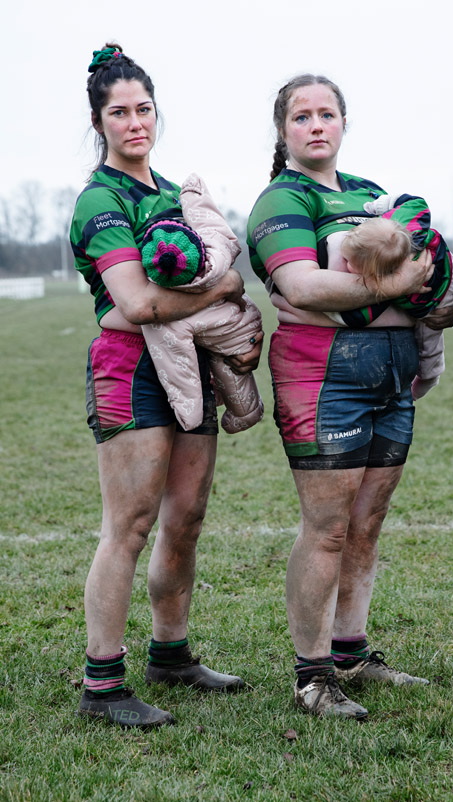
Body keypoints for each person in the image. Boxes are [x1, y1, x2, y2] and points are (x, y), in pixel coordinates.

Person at [247, 74, 453, 719]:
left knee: (366, 524)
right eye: (302, 116)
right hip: (324, 374)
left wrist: (428, 285)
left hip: (393, 374)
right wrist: (402, 285)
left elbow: (433, 270)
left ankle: (350, 652)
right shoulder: (279, 199)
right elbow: (303, 287)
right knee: (329, 529)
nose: (317, 125)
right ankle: (311, 676)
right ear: (282, 131)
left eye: (328, 114)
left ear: (344, 123)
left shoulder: (372, 196)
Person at [70, 44, 262, 729]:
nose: (133, 122)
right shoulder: (102, 197)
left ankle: (171, 654)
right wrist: (223, 285)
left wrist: (208, 289)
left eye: (143, 108)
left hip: (190, 365)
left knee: (186, 517)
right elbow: (137, 304)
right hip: (129, 366)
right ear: (100, 122)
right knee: (130, 524)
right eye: (118, 112)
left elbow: (176, 285)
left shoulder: (169, 192)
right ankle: (101, 684)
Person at [140, 172, 264, 433]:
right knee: (231, 375)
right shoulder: (216, 252)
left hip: (231, 336)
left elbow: (177, 368)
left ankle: (245, 414)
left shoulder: (172, 317)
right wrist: (193, 192)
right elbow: (210, 224)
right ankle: (244, 412)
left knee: (230, 372)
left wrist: (190, 413)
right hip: (245, 318)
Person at [322, 194, 453, 400]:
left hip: (442, 292)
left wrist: (327, 307)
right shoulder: (403, 230)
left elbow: (354, 317)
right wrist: (375, 207)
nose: (345, 263)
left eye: (350, 263)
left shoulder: (390, 289)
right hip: (447, 258)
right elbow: (416, 202)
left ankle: (429, 378)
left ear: (377, 275)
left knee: (430, 339)